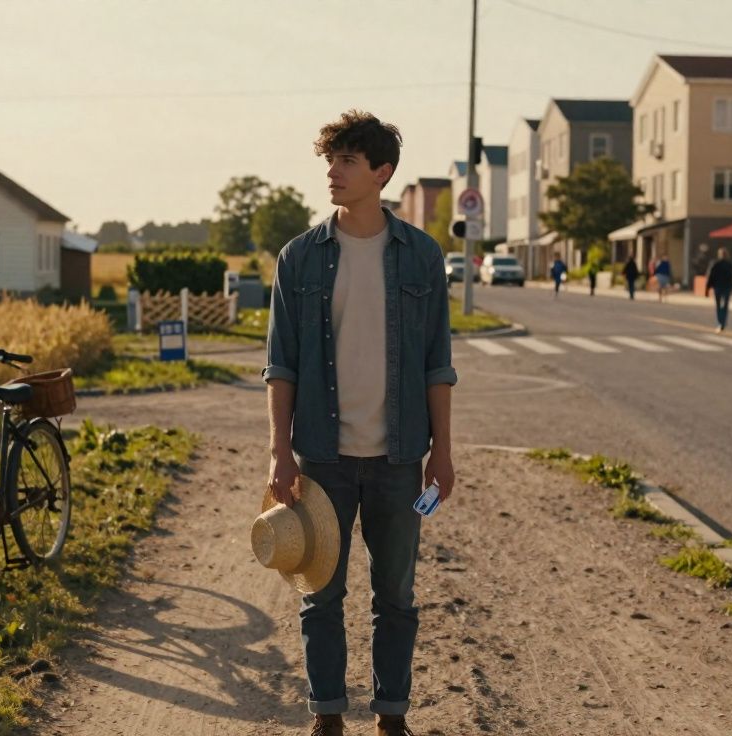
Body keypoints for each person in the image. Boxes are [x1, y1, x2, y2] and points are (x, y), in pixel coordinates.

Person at [263, 109, 457, 736]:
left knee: (396, 596)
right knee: (320, 594)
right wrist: (279, 451)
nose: (333, 171)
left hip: (402, 458)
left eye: (348, 160)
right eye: (330, 159)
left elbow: (437, 364)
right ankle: (327, 714)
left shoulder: (422, 257)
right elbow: (281, 365)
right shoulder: (299, 259)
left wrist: (443, 452)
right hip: (322, 455)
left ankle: (391, 715)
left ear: (382, 172)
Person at [705, 247, 732, 332]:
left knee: (721, 305)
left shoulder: (723, 264)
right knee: (722, 305)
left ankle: (721, 322)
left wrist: (707, 288)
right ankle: (722, 322)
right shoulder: (723, 264)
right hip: (723, 287)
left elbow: (711, 276)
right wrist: (707, 288)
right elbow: (711, 276)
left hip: (722, 287)